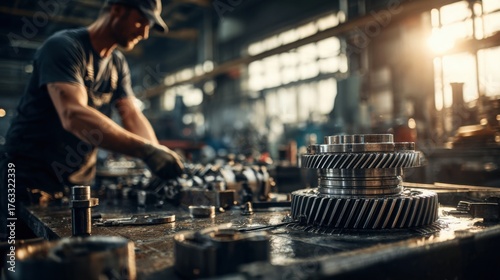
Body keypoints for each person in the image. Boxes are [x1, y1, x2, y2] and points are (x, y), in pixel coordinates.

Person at [0, 0, 184, 238]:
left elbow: (130, 113)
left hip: (77, 184)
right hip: (28, 178)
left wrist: (159, 154)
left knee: (71, 256)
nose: (145, 32)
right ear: (117, 9)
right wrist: (146, 151)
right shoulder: (63, 47)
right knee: (20, 254)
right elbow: (72, 114)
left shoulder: (117, 64)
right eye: (141, 21)